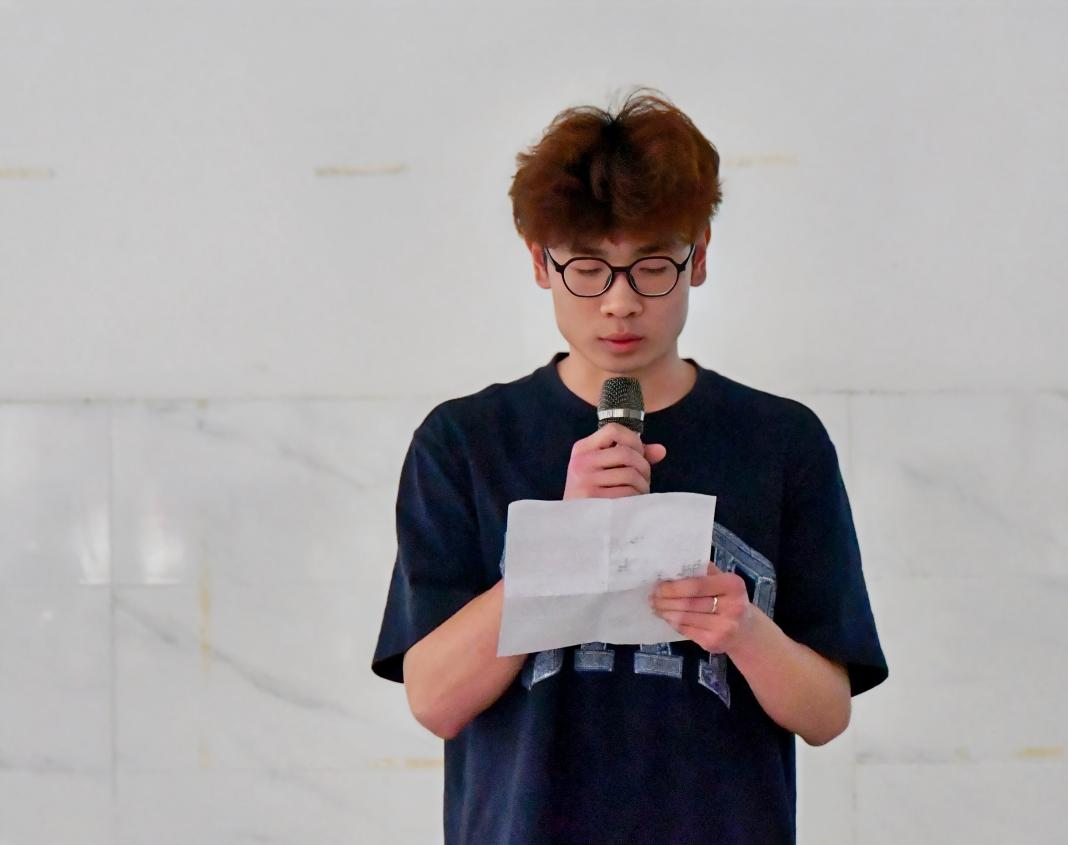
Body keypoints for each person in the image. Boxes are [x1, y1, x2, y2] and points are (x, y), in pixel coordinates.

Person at [371, 86, 888, 845]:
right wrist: (565, 543)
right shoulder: (465, 442)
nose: (619, 303)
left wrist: (744, 630)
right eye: (588, 268)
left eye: (651, 267)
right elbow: (434, 700)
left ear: (698, 257)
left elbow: (825, 713)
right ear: (540, 263)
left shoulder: (782, 441)